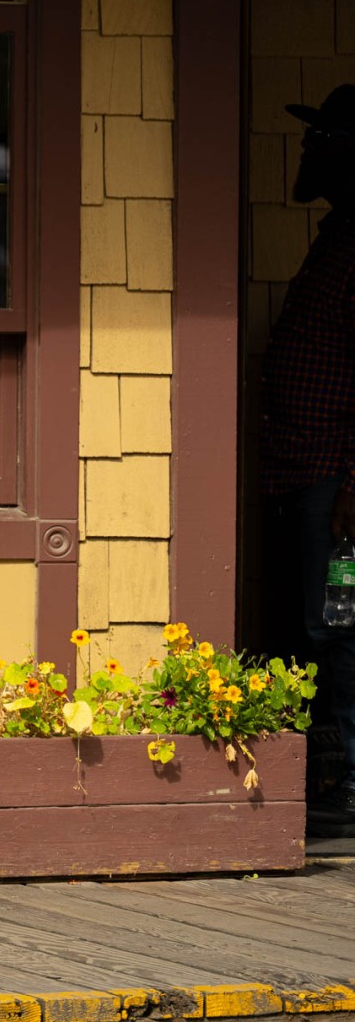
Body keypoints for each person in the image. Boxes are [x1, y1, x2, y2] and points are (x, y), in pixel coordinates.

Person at [260, 84, 355, 831]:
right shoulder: (337, 237)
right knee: (318, 626)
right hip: (305, 470)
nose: (304, 150)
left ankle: (351, 780)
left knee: (339, 625)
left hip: (337, 483)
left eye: (317, 139)